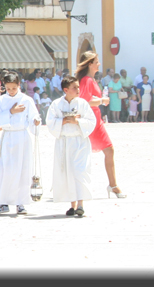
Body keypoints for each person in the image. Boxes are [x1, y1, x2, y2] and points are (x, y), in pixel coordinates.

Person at [0, 71, 40, 216]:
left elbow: (33, 116)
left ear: (19, 85)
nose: (11, 91)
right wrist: (11, 111)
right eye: (8, 88)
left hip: (21, 136)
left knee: (22, 168)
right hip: (8, 137)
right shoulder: (1, 100)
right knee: (4, 169)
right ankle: (3, 202)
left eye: (14, 88)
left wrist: (36, 121)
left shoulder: (26, 99)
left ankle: (20, 202)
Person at [76, 51, 125, 196]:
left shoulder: (90, 79)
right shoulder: (87, 80)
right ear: (90, 64)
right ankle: (112, 185)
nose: (99, 63)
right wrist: (102, 100)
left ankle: (113, 185)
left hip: (96, 119)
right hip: (93, 120)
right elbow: (85, 100)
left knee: (105, 150)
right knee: (107, 150)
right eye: (96, 61)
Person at [46, 73, 95, 218]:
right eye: (74, 87)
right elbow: (50, 122)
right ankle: (72, 205)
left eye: (78, 87)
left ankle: (81, 204)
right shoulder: (56, 104)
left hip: (79, 141)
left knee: (79, 171)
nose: (78, 90)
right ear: (66, 90)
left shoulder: (83, 104)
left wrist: (77, 122)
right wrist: (65, 120)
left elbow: (91, 121)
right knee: (67, 172)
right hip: (64, 142)